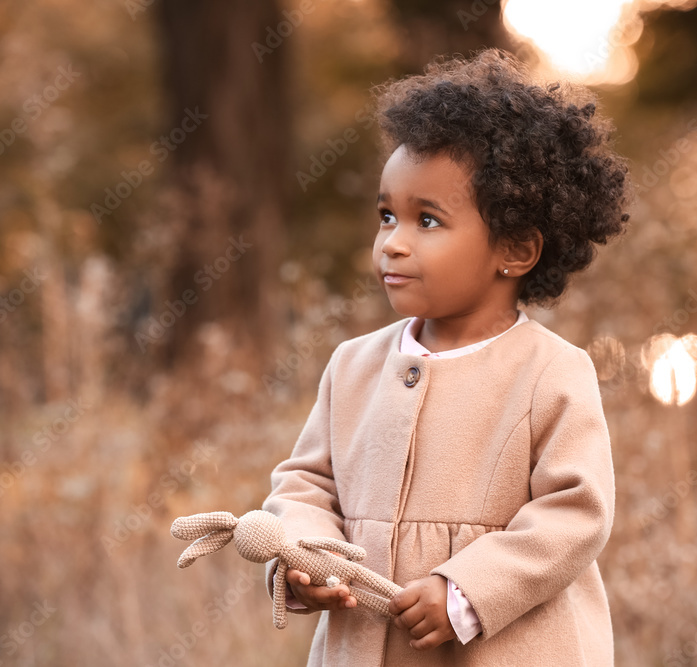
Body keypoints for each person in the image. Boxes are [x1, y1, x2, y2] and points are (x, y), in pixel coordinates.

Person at [261, 47, 633, 666]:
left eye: (426, 221)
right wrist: (306, 555)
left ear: (514, 248)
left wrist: (465, 591)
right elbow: (306, 484)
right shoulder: (353, 366)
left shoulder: (551, 373)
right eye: (386, 216)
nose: (392, 244)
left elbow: (575, 514)